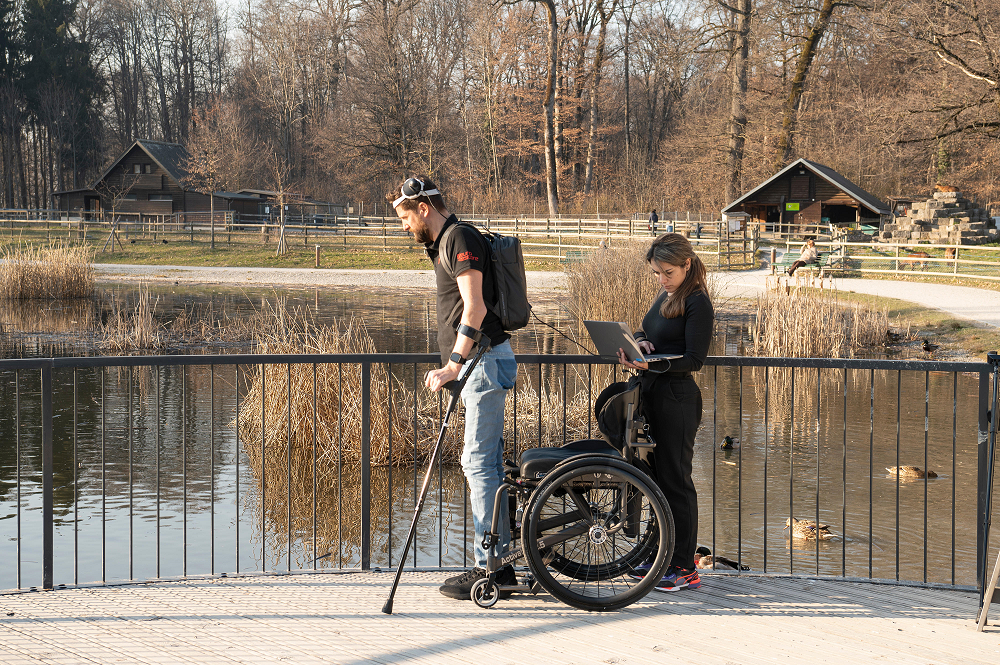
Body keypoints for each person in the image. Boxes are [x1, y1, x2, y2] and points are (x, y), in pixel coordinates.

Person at [388, 176, 518, 600]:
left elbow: (476, 307)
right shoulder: (446, 239)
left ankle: (490, 569)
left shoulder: (458, 237)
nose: (404, 226)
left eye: (405, 217)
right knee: (487, 464)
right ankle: (500, 563)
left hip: (481, 363)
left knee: (477, 463)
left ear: (423, 207)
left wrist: (452, 365)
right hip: (479, 366)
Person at [617, 233, 714, 592]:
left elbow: (694, 359)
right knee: (657, 484)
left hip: (677, 400)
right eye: (657, 272)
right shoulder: (667, 295)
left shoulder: (698, 302)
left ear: (687, 264)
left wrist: (650, 364)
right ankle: (661, 556)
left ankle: (685, 567)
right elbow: (647, 327)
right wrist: (640, 341)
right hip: (653, 396)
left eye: (667, 271)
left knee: (677, 483)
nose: (661, 278)